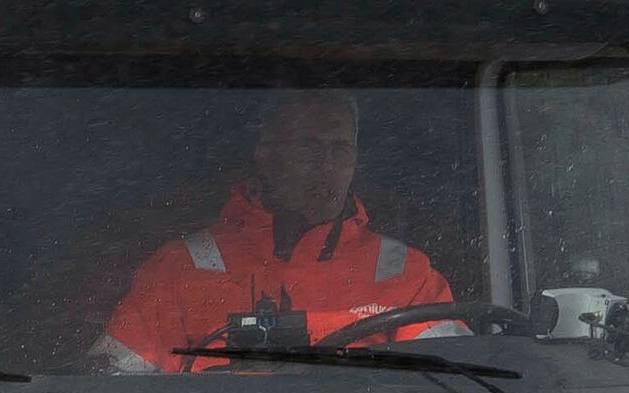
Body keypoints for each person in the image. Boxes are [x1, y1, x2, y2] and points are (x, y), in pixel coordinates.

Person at [97, 86, 454, 370]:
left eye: (340, 149)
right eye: (308, 147)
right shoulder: (178, 269)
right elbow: (109, 392)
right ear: (265, 154)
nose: (325, 165)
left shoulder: (407, 275)